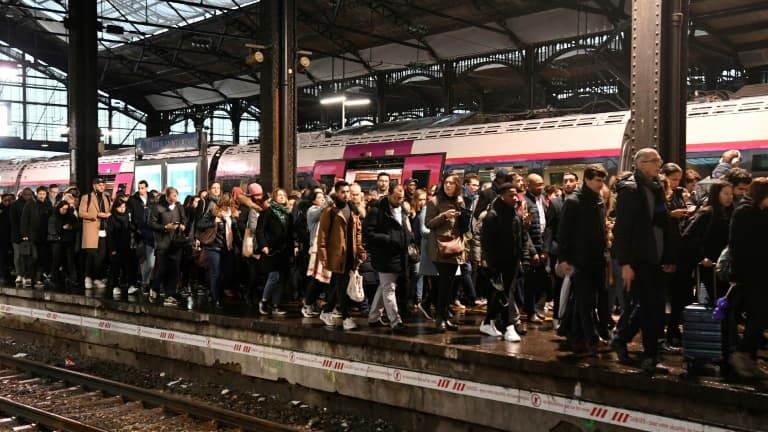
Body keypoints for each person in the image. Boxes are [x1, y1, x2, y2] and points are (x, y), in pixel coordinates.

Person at [611, 148, 679, 374]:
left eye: (659, 160)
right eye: (654, 160)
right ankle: (647, 354)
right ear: (641, 164)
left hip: (654, 257)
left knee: (653, 307)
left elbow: (662, 224)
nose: (659, 164)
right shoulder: (630, 190)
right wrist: (625, 263)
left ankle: (626, 341)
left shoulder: (656, 187)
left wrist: (668, 256)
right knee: (647, 307)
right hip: (638, 258)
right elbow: (623, 230)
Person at [557, 165, 609, 355]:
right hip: (579, 259)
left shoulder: (598, 199)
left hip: (597, 258)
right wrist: (564, 259)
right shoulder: (573, 201)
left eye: (602, 181)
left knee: (586, 300)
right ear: (587, 179)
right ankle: (591, 340)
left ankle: (576, 337)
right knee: (586, 301)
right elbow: (563, 232)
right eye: (597, 180)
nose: (601, 184)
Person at [728, 178, 768, 379]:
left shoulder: (762, 212)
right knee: (759, 314)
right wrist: (738, 275)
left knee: (758, 315)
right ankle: (742, 354)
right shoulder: (744, 212)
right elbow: (737, 245)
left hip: (761, 273)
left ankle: (748, 358)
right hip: (751, 274)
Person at [479, 183, 527, 341]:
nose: (515, 198)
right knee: (503, 294)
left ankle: (489, 322)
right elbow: (487, 243)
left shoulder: (515, 214)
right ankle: (508, 326)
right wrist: (491, 265)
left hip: (513, 261)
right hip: (498, 263)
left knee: (504, 294)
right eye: (511, 195)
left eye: (516, 195)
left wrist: (523, 257)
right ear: (501, 196)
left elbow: (521, 237)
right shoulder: (492, 216)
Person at [316, 181, 365, 330]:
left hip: (350, 254)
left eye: (347, 192)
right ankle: (346, 317)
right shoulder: (330, 211)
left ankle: (326, 311)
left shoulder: (353, 210)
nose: (346, 195)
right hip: (337, 255)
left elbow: (357, 232)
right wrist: (323, 255)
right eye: (342, 192)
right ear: (336, 193)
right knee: (341, 285)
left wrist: (360, 250)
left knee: (336, 285)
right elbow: (322, 234)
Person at [364, 184, 412, 332]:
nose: (399, 200)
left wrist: (409, 238)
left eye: (401, 198)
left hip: (399, 254)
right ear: (389, 195)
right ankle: (395, 321)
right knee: (389, 288)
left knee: (385, 286)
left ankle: (373, 317)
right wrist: (389, 238)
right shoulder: (377, 211)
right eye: (397, 198)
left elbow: (405, 229)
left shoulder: (402, 210)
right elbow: (369, 234)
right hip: (384, 255)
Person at [425, 173, 465, 332]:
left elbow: (464, 225)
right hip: (440, 248)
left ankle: (445, 317)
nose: (448, 185)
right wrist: (444, 216)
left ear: (457, 186)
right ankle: (440, 319)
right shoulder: (434, 201)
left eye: (452, 183)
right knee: (444, 284)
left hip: (455, 247)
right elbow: (428, 223)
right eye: (446, 183)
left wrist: (463, 214)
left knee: (450, 285)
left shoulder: (459, 201)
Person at [198, 198, 241, 310]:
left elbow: (236, 233)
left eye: (229, 205)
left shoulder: (232, 216)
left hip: (228, 249)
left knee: (226, 273)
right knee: (216, 273)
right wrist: (213, 222)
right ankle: (215, 298)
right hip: (213, 247)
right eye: (225, 205)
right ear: (220, 205)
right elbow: (200, 224)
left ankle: (213, 292)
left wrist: (241, 247)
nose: (227, 208)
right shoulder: (213, 214)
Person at [255, 189, 293, 316]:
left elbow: (290, 233)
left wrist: (293, 249)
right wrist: (263, 245)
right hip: (271, 250)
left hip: (284, 251)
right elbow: (260, 230)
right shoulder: (268, 212)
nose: (282, 197)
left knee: (281, 278)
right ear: (274, 197)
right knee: (274, 276)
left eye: (284, 195)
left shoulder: (288, 214)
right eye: (279, 195)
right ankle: (264, 301)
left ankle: (276, 305)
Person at [148, 187, 186, 306]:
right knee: (164, 268)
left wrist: (182, 225)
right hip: (162, 243)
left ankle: (170, 294)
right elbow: (151, 224)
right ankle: (154, 286)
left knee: (175, 269)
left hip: (176, 242)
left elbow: (184, 219)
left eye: (175, 196)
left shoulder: (179, 206)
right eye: (171, 198)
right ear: (166, 196)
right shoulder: (157, 207)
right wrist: (165, 227)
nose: (174, 199)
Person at [523, 173, 552, 324]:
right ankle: (530, 311)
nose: (541, 187)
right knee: (530, 283)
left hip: (542, 246)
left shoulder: (543, 201)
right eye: (537, 184)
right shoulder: (524, 202)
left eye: (542, 184)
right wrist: (533, 251)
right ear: (528, 185)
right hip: (531, 248)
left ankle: (537, 309)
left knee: (543, 281)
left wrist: (545, 249)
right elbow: (525, 230)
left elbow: (546, 226)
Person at [79, 178, 112, 291]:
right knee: (91, 255)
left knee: (101, 256)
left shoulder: (106, 197)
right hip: (91, 230)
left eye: (103, 185)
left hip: (103, 230)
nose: (102, 187)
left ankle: (97, 278)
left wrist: (108, 214)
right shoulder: (86, 197)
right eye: (99, 185)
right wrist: (96, 215)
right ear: (94, 186)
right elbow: (81, 213)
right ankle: (88, 277)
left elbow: (110, 210)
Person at [106, 199, 139, 297]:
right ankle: (115, 286)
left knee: (129, 266)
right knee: (116, 267)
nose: (122, 209)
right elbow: (110, 235)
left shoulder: (127, 216)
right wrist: (112, 249)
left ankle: (131, 285)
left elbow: (132, 228)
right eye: (120, 207)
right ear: (115, 208)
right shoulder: (112, 218)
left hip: (127, 245)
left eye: (124, 207)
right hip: (116, 245)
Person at [20, 186, 50, 288]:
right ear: (37, 194)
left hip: (43, 236)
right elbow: (24, 220)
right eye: (40, 194)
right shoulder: (30, 204)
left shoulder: (48, 204)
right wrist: (24, 234)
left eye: (44, 194)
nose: (42, 196)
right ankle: (28, 277)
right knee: (32, 258)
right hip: (32, 236)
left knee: (41, 258)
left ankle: (38, 278)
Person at [128, 180, 153, 294]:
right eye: (139, 188)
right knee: (142, 259)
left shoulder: (152, 198)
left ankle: (146, 282)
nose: (140, 190)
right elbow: (132, 217)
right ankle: (144, 283)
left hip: (151, 232)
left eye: (142, 188)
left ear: (147, 188)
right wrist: (136, 229)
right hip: (139, 233)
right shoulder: (133, 200)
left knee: (150, 261)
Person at [47, 200, 78, 292]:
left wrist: (70, 227)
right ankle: (55, 279)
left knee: (70, 261)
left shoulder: (70, 216)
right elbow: (52, 229)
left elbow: (77, 226)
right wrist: (62, 228)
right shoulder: (54, 217)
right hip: (57, 241)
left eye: (66, 209)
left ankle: (72, 278)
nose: (64, 211)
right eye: (63, 209)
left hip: (68, 241)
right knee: (56, 261)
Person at [0, 194, 13, 285]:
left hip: (10, 236)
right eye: (5, 200)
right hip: (1, 237)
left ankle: (7, 274)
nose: (7, 202)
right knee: (2, 257)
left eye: (9, 200)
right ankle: (2, 275)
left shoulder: (12, 208)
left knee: (8, 257)